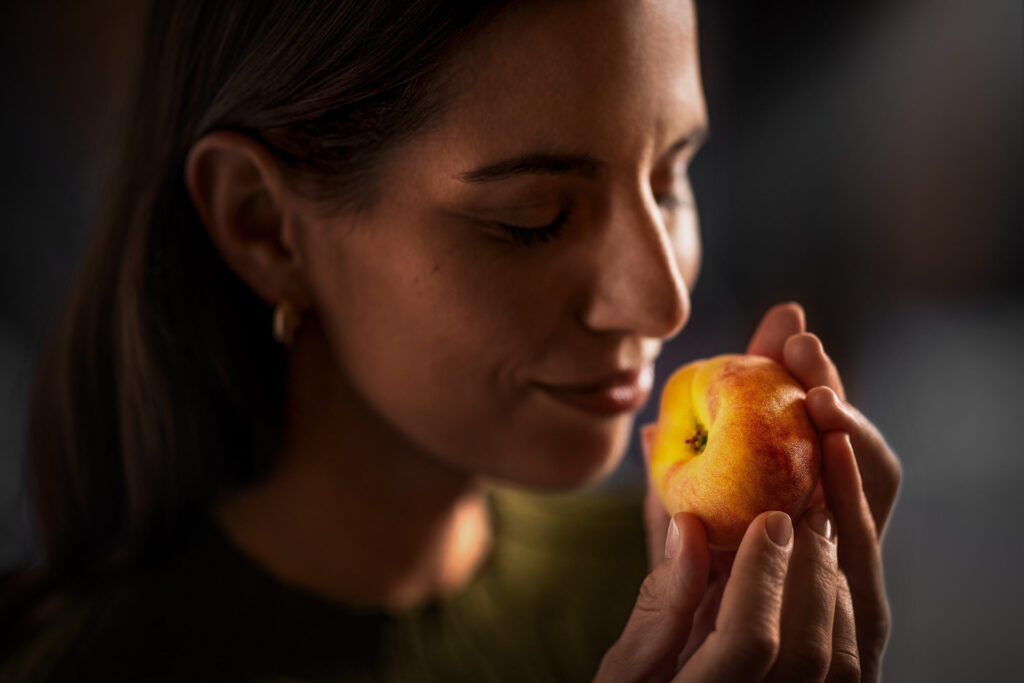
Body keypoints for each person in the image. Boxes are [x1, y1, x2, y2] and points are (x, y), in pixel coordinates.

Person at [0, 1, 901, 681]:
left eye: (670, 181)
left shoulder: (686, 612)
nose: (663, 302)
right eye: (535, 220)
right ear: (265, 225)